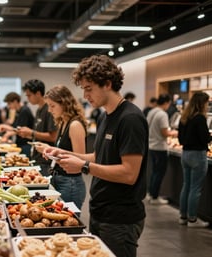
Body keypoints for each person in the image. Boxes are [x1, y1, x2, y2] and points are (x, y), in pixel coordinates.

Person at [43, 55, 148, 257]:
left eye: (89, 88)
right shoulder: (104, 115)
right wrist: (64, 153)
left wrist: (83, 167)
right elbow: (98, 156)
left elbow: (129, 173)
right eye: (83, 89)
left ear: (107, 84)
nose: (84, 95)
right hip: (100, 211)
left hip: (120, 218)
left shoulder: (130, 118)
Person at [41, 85, 88, 209]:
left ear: (64, 104)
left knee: (68, 224)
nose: (50, 110)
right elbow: (64, 151)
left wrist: (57, 154)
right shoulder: (63, 122)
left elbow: (80, 161)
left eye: (52, 106)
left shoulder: (75, 125)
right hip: (59, 178)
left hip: (70, 183)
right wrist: (51, 151)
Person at [178, 92, 211, 228]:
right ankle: (192, 219)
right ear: (201, 103)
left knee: (186, 185)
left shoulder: (184, 117)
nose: (207, 105)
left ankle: (183, 217)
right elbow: (205, 139)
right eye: (207, 103)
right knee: (195, 188)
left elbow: (180, 139)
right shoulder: (200, 119)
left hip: (185, 154)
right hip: (198, 155)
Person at [17, 79, 58, 175]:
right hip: (37, 158)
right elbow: (39, 134)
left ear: (38, 93)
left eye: (29, 95)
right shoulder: (39, 110)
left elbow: (53, 137)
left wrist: (31, 133)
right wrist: (28, 134)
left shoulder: (49, 110)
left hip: (45, 160)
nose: (28, 99)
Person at [147, 94, 178, 205]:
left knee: (154, 172)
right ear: (166, 103)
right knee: (159, 173)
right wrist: (175, 133)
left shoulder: (151, 111)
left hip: (151, 146)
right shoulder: (162, 114)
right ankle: (155, 197)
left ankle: (151, 194)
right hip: (160, 147)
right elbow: (164, 132)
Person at [0, 92, 34, 157]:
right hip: (21, 143)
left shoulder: (24, 111)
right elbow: (15, 127)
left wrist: (8, 133)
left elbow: (21, 130)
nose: (8, 106)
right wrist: (7, 129)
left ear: (15, 101)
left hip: (26, 144)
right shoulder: (18, 111)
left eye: (9, 104)